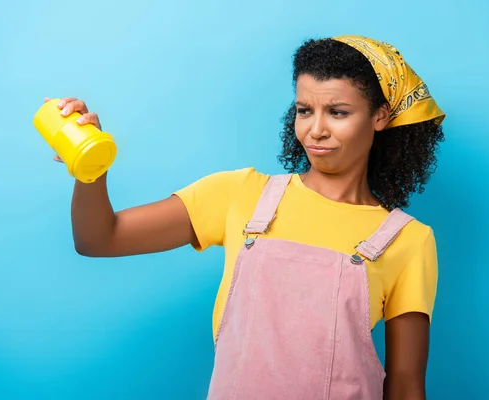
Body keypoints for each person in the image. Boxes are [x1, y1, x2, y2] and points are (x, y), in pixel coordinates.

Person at [49, 34, 446, 399]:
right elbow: (99, 238)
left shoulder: (406, 241)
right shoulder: (240, 194)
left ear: (379, 117)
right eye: (305, 110)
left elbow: (407, 384)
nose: (316, 130)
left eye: (338, 112)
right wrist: (91, 167)